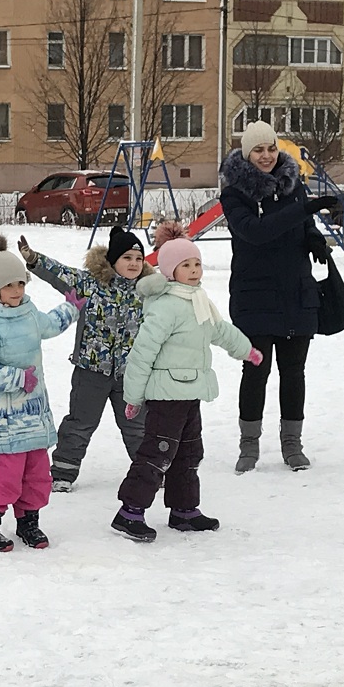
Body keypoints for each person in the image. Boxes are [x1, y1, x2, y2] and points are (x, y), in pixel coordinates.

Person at [110, 233, 263, 543]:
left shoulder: (199, 300)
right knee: (158, 453)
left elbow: (220, 330)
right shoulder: (165, 307)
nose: (194, 270)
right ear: (170, 271)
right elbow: (142, 352)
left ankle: (184, 510)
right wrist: (134, 397)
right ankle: (130, 512)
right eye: (186, 265)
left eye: (197, 263)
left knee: (189, 453)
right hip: (166, 396)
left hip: (190, 393)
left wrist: (245, 349)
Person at [219, 121, 334, 473]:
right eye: (258, 150)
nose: (266, 156)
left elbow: (302, 226)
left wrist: (313, 237)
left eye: (271, 148)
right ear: (246, 153)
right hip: (254, 295)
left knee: (294, 372)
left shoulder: (292, 186)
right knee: (256, 371)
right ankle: (249, 446)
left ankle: (292, 444)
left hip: (296, 293)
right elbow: (255, 232)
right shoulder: (235, 193)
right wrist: (304, 211)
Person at [0, 233, 83, 552]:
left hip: (33, 413)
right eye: (9, 286)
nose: (17, 291)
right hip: (3, 418)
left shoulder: (27, 310)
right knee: (7, 475)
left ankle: (28, 520)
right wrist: (18, 377)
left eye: (21, 284)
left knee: (37, 473)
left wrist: (70, 309)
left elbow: (47, 325)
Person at [17, 226, 154, 493]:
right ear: (113, 260)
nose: (134, 264)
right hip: (91, 371)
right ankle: (63, 472)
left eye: (139, 259)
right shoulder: (91, 284)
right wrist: (34, 260)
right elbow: (60, 273)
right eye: (127, 258)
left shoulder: (148, 291)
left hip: (132, 373)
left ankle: (148, 469)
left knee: (138, 426)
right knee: (80, 422)